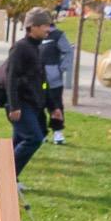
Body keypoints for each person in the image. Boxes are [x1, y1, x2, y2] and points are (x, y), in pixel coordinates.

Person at [0, 7, 58, 173]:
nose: (48, 29)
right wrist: (14, 105)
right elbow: (11, 77)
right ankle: (7, 176)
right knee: (33, 138)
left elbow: (43, 81)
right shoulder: (20, 48)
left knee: (18, 141)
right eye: (45, 25)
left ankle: (9, 177)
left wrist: (53, 107)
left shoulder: (38, 48)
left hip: (33, 104)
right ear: (33, 27)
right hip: (21, 104)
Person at [37, 12, 75, 144]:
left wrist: (61, 69)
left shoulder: (58, 35)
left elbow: (68, 51)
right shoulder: (35, 35)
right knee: (38, 103)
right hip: (39, 80)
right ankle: (41, 132)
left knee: (56, 104)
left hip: (54, 79)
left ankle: (58, 132)